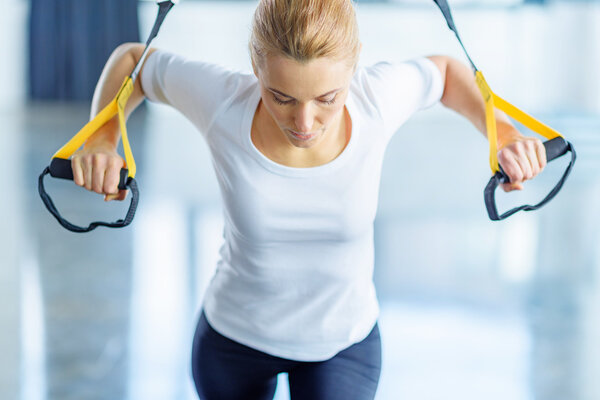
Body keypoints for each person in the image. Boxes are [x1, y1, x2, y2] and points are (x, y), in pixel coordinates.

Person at [71, 0, 546, 398]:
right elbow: (134, 62)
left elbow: (444, 73)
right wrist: (102, 138)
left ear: (354, 66)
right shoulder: (223, 100)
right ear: (255, 65)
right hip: (232, 339)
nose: (304, 122)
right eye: (280, 97)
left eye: (327, 98)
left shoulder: (375, 101)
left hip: (343, 344)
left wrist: (504, 134)